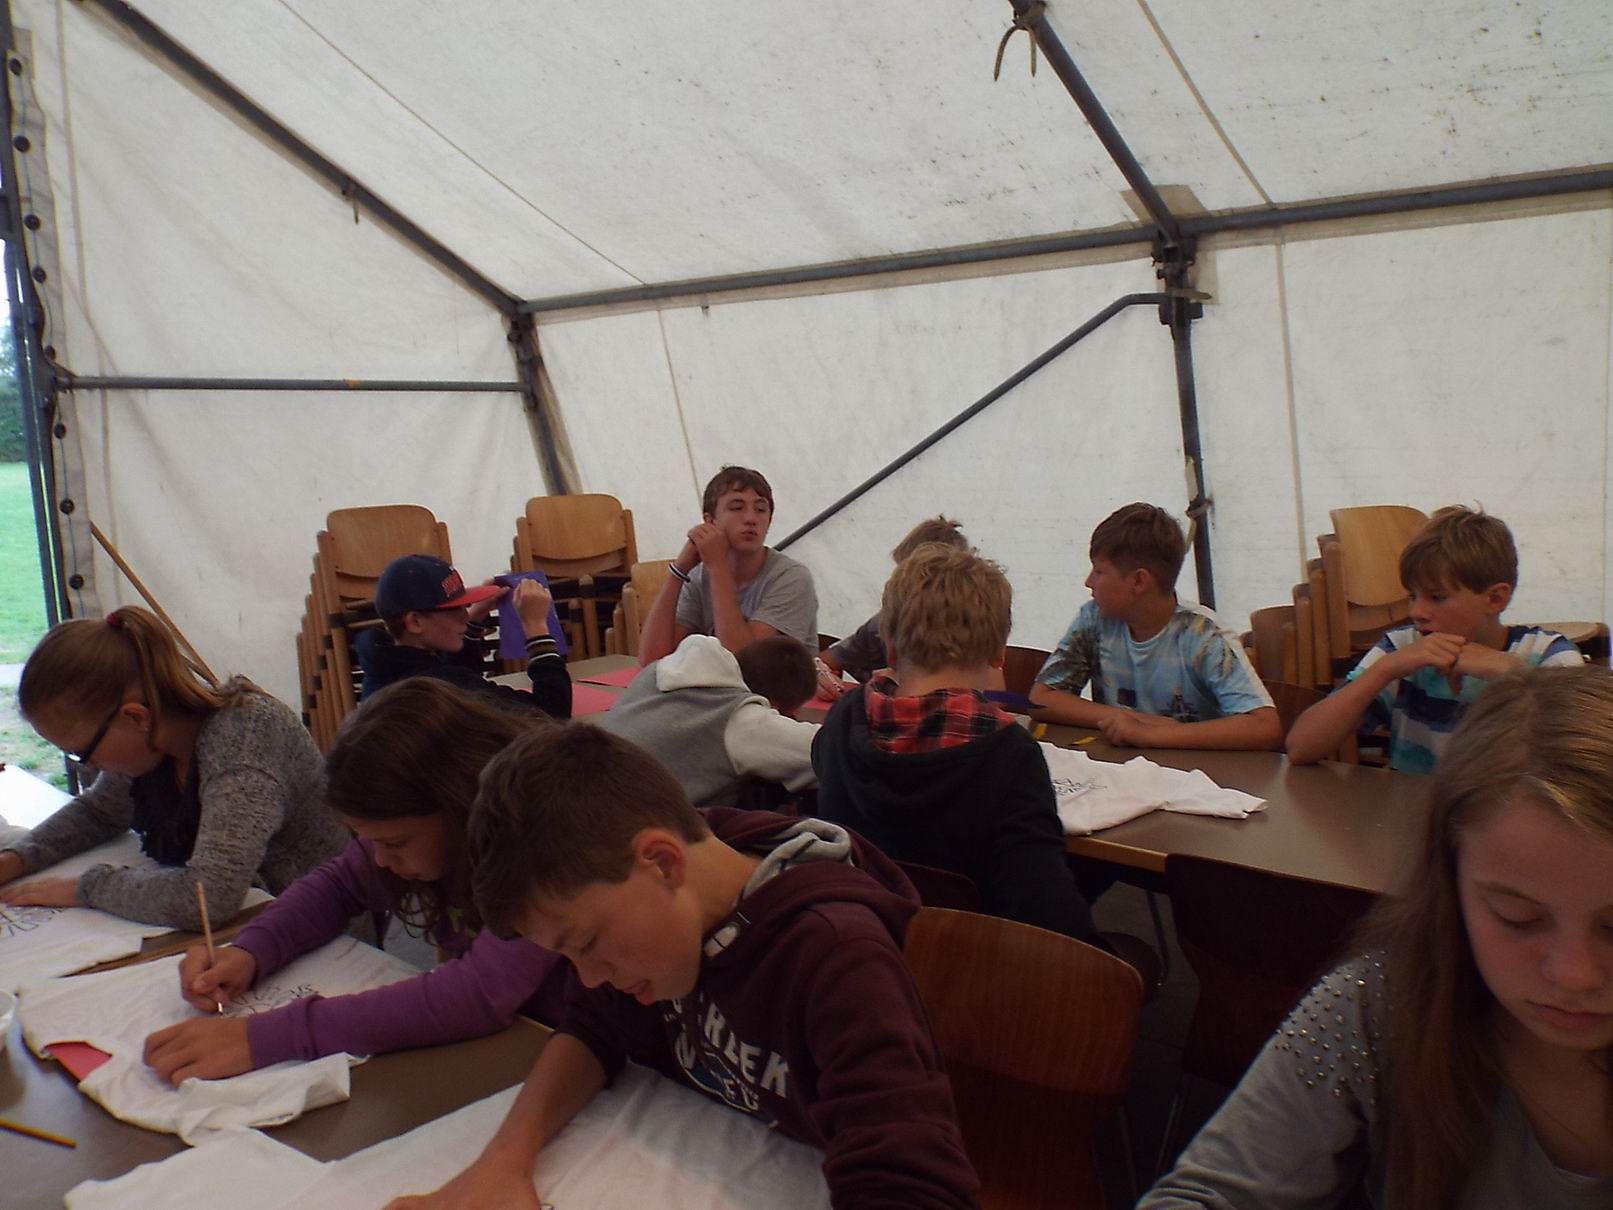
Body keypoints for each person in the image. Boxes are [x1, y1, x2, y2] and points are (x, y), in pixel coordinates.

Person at [382, 723, 979, 1210]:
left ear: (662, 863)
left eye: (586, 943)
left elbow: (913, 1189)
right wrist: (503, 1163)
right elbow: (592, 1027)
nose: (587, 976)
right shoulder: (664, 914)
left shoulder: (838, 959)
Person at [1143, 665, 1613, 1208]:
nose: (1574, 974)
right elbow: (1206, 1195)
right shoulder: (1379, 1004)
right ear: (1450, 884)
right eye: (1517, 917)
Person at [141, 679, 567, 1084]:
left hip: (573, 1059)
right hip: (514, 1050)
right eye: (369, 841)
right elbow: (337, 886)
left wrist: (263, 1037)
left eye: (395, 843)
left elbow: (476, 995)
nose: (380, 860)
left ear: (458, 803)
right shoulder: (426, 831)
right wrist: (250, 952)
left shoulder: (536, 845)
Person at [812, 545, 1095, 942]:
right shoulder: (1009, 755)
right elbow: (1050, 919)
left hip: (857, 946)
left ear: (889, 644)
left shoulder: (844, 719)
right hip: (971, 963)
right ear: (999, 652)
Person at [0, 606, 345, 928]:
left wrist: (89, 888)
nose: (88, 765)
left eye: (82, 752)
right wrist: (17, 859)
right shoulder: (154, 739)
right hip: (259, 927)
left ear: (136, 717)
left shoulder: (245, 742)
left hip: (325, 930)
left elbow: (207, 898)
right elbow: (98, 813)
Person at [1287, 505, 1581, 772]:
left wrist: (1513, 672)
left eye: (1437, 597)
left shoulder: (1548, 653)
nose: (1416, 612)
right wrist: (1384, 670)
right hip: (1413, 810)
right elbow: (1301, 747)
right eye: (1412, 596)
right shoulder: (1402, 648)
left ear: (1495, 598)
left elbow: (1586, 753)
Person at [1030, 502, 1281, 751]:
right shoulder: (1094, 619)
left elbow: (1264, 726)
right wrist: (1131, 720)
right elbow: (1041, 698)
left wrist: (1148, 734)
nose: (1088, 582)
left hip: (1193, 772)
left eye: (1099, 571)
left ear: (1139, 581)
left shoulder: (1203, 635)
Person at [598, 633, 819, 808]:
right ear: (775, 707)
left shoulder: (658, 671)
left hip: (589, 804)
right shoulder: (741, 719)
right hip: (635, 832)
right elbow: (825, 752)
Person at [356, 553, 572, 719]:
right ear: (415, 622)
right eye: (453, 608)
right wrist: (536, 626)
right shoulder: (433, 688)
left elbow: (462, 678)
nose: (464, 615)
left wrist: (476, 617)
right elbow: (550, 713)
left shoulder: (385, 664)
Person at [636, 466, 817, 663]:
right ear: (710, 521)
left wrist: (718, 567)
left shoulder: (791, 577)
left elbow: (745, 665)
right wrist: (678, 572)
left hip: (774, 682)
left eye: (761, 510)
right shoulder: (698, 577)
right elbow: (651, 658)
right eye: (737, 508)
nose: (751, 519)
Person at [814, 516, 972, 699]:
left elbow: (992, 694)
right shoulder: (883, 623)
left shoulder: (976, 626)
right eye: (902, 574)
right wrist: (821, 677)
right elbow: (821, 662)